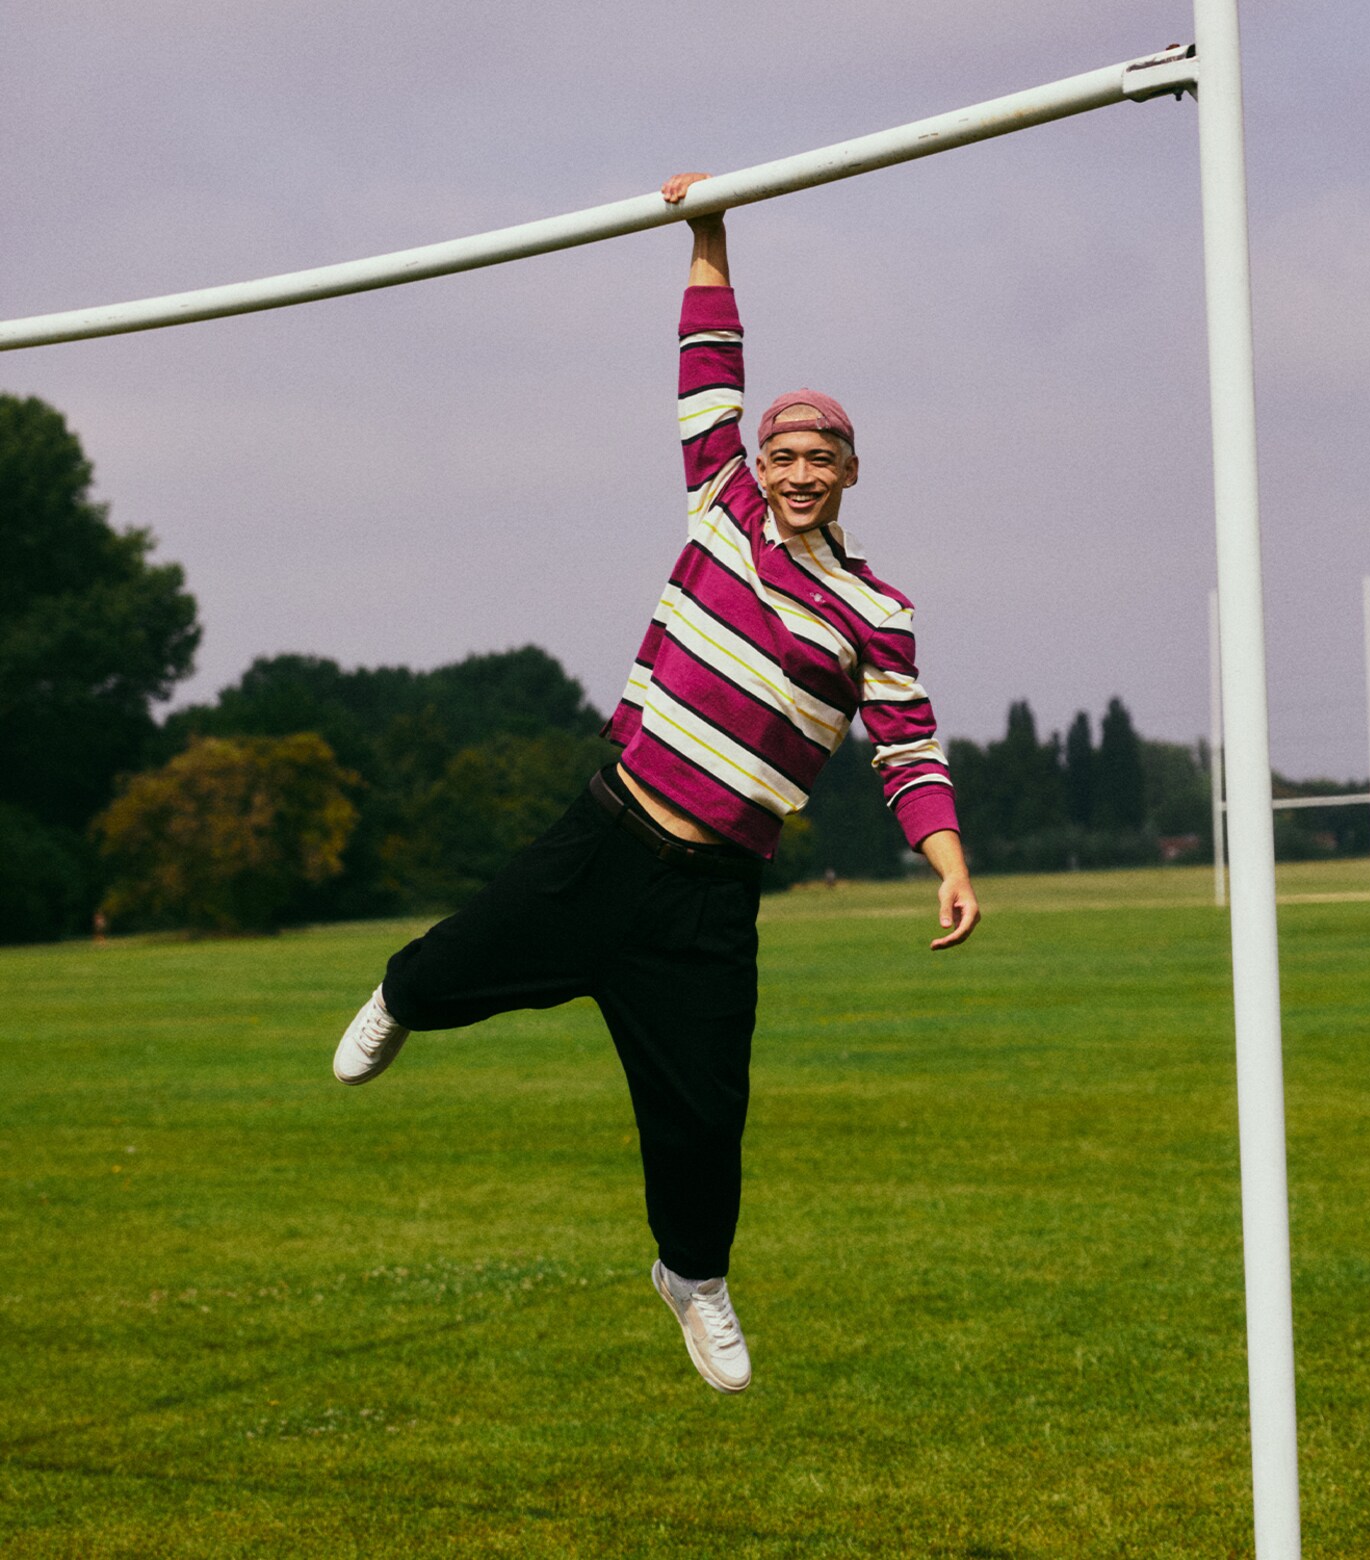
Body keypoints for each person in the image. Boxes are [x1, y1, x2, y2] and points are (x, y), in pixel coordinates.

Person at [332, 172, 980, 1395]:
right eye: (783, 451)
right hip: (607, 838)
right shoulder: (719, 503)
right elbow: (709, 367)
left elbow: (906, 744)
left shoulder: (877, 611)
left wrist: (946, 860)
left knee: (703, 1118)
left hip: (710, 896)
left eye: (819, 457)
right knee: (446, 971)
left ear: (852, 472)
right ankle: (401, 997)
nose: (794, 470)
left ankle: (694, 1278)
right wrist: (709, 227)